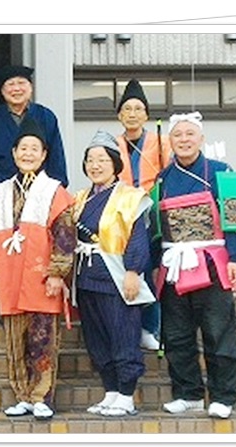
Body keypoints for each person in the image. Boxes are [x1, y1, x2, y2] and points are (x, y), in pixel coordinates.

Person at [155, 112, 236, 420]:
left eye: (190, 134)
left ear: (201, 139)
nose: (184, 140)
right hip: (174, 262)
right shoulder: (162, 179)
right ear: (170, 141)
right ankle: (188, 393)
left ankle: (223, 395)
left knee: (218, 331)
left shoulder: (223, 172)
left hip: (212, 262)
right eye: (178, 135)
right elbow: (155, 226)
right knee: (176, 333)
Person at [0, 117, 75, 421]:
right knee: (15, 341)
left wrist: (57, 273)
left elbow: (65, 235)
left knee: (43, 339)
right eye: (23, 148)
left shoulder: (54, 190)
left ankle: (42, 397)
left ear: (44, 154)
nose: (28, 154)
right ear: (13, 153)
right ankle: (22, 395)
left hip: (41, 276)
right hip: (10, 275)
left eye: (34, 149)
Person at [72, 130, 154, 417]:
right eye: (90, 160)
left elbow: (138, 238)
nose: (95, 166)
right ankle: (111, 392)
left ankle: (127, 395)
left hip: (116, 277)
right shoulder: (80, 198)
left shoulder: (130, 197)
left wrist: (133, 271)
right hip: (86, 277)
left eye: (102, 160)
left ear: (115, 164)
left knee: (123, 334)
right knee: (97, 338)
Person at [114, 78, 172, 352]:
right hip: (123, 214)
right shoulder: (112, 144)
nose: (132, 114)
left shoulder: (161, 142)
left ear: (146, 115)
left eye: (138, 109)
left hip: (153, 214)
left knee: (150, 271)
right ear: (119, 115)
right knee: (124, 270)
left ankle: (150, 327)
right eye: (127, 109)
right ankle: (128, 327)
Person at [0, 65, 68, 224]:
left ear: (31, 88)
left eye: (21, 83)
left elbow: (57, 157)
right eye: (10, 84)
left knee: (38, 235)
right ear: (2, 91)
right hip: (1, 193)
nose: (16, 89)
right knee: (3, 235)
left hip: (41, 193)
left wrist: (59, 191)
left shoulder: (46, 116)